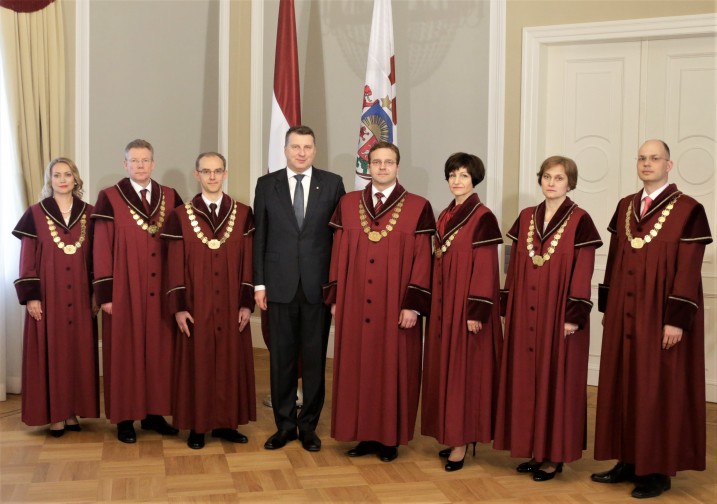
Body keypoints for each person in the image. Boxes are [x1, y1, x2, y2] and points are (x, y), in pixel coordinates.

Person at [592, 140, 712, 499]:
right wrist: (608, 310)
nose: (647, 164)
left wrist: (676, 320)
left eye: (654, 158)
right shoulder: (625, 206)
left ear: (669, 165)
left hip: (661, 313)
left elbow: (689, 270)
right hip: (624, 315)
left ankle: (656, 470)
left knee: (657, 388)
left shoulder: (690, 209)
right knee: (624, 382)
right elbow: (614, 259)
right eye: (642, 158)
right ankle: (627, 461)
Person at [324, 141, 435, 462]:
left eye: (388, 162)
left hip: (396, 306)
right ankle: (364, 435)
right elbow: (337, 253)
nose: (382, 167)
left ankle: (389, 439)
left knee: (393, 368)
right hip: (354, 304)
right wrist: (335, 297)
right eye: (376, 162)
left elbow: (422, 259)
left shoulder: (418, 206)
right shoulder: (347, 204)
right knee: (359, 369)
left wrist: (413, 304)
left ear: (398, 167)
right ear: (367, 167)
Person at [494, 156, 602, 481]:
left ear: (570, 183)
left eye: (558, 178)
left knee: (557, 381)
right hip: (524, 311)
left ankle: (554, 457)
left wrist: (573, 315)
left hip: (559, 316)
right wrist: (506, 308)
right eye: (546, 177)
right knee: (527, 379)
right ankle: (533, 449)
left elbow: (583, 271)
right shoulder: (527, 217)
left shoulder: (581, 220)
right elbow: (512, 267)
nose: (551, 183)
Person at [253, 125, 345, 452]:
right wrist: (259, 284)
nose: (302, 152)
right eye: (296, 146)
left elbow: (339, 240)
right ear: (286, 149)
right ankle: (284, 426)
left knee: (315, 361)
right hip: (278, 287)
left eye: (307, 146)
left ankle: (308, 427)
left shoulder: (333, 184)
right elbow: (260, 237)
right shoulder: (266, 185)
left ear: (315, 150)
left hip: (317, 288)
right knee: (281, 361)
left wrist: (335, 287)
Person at [162, 152, 256, 449]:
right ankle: (198, 426)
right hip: (195, 304)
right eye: (206, 171)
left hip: (230, 305)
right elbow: (174, 265)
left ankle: (226, 423)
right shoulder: (179, 216)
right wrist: (179, 308)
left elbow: (248, 262)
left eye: (217, 171)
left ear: (225, 174)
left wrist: (245, 303)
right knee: (197, 364)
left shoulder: (243, 213)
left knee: (230, 361)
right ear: (197, 175)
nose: (212, 177)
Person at [92, 139, 183, 443]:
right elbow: (102, 248)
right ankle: (125, 418)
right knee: (125, 353)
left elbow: (181, 246)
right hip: (124, 291)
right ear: (125, 164)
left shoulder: (170, 196)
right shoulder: (109, 198)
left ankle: (155, 414)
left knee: (160, 352)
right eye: (135, 161)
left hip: (162, 289)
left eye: (146, 160)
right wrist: (105, 295)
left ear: (153, 163)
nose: (141, 166)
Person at [421, 153, 503, 472]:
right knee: (446, 370)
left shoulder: (482, 217)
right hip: (445, 304)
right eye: (453, 174)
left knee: (465, 375)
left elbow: (485, 269)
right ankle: (452, 433)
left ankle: (461, 441)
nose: (457, 180)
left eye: (464, 175)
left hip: (466, 309)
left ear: (474, 179)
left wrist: (475, 311)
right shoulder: (445, 215)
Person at [12, 158, 99, 437]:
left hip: (82, 294)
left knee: (78, 352)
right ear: (50, 180)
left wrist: (98, 293)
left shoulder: (90, 213)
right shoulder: (36, 213)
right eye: (57, 175)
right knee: (54, 351)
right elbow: (27, 259)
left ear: (76, 178)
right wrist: (32, 296)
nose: (62, 179)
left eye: (68, 174)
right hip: (49, 295)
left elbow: (99, 258)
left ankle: (73, 412)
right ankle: (56, 415)